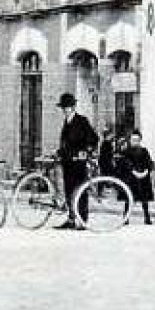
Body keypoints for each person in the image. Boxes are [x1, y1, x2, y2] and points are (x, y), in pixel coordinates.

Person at [56, 93, 98, 230]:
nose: (66, 110)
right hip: (67, 162)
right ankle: (71, 218)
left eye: (68, 107)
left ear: (73, 107)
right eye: (64, 107)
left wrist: (86, 151)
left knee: (81, 190)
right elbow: (65, 143)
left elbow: (94, 138)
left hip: (78, 163)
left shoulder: (82, 121)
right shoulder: (66, 122)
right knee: (69, 190)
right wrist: (59, 153)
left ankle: (82, 220)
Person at [119, 131, 154, 224]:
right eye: (133, 140)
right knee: (129, 199)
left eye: (137, 140)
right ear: (130, 140)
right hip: (131, 179)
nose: (135, 142)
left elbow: (149, 163)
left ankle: (147, 218)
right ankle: (125, 218)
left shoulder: (144, 151)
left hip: (143, 179)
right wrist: (134, 172)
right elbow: (126, 164)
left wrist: (146, 171)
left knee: (144, 200)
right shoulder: (126, 152)